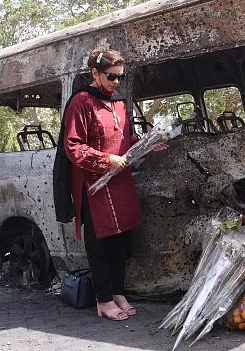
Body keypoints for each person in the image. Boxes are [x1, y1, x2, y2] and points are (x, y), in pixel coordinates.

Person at [60, 49, 148, 321]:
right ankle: (103, 299)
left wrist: (149, 144)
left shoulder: (119, 102)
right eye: (111, 77)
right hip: (93, 185)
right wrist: (105, 159)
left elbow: (126, 139)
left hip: (119, 181)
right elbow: (72, 147)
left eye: (120, 77)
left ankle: (118, 292)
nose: (117, 83)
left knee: (121, 240)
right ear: (95, 74)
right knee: (100, 246)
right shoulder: (81, 103)